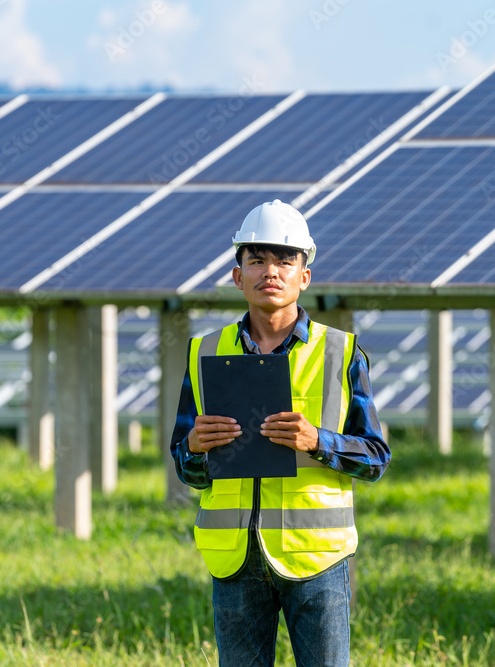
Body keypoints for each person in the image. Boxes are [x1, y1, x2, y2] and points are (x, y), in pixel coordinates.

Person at [170, 199, 391, 666]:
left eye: (285, 259)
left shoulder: (341, 352)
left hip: (317, 557)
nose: (271, 270)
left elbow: (375, 457)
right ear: (237, 276)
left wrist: (319, 441)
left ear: (304, 276)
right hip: (235, 558)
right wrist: (192, 450)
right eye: (257, 260)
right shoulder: (203, 353)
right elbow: (187, 466)